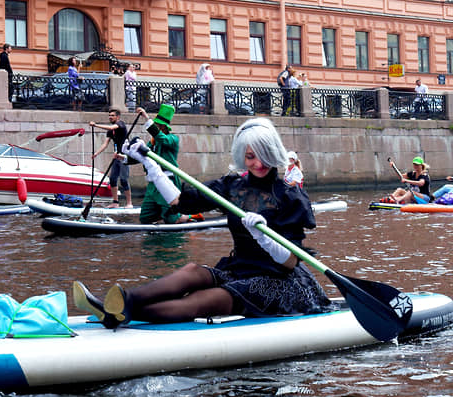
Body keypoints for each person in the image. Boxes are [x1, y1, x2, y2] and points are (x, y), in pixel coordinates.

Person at [71, 118, 331, 329]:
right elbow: (178, 201)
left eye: (263, 155)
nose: (258, 163)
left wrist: (263, 237)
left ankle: (116, 313)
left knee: (206, 299)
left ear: (273, 153)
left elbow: (290, 262)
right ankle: (125, 301)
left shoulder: (289, 194)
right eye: (251, 157)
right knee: (193, 271)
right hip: (239, 269)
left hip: (276, 281)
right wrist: (150, 164)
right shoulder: (232, 185)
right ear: (243, 156)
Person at [133, 105, 199, 224]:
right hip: (153, 183)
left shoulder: (173, 139)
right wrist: (123, 157)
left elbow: (162, 139)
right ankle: (163, 214)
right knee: (145, 217)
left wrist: (147, 118)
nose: (156, 128)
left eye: (157, 125)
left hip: (168, 181)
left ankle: (189, 216)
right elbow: (142, 157)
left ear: (162, 127)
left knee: (172, 219)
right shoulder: (151, 142)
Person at [90, 108, 133, 208]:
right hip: (116, 156)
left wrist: (95, 125)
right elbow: (105, 144)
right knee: (113, 179)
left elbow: (111, 127)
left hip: (125, 156)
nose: (110, 117)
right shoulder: (110, 132)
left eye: (112, 115)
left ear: (117, 117)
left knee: (123, 180)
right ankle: (115, 202)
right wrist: (96, 153)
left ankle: (129, 203)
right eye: (109, 115)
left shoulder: (121, 124)